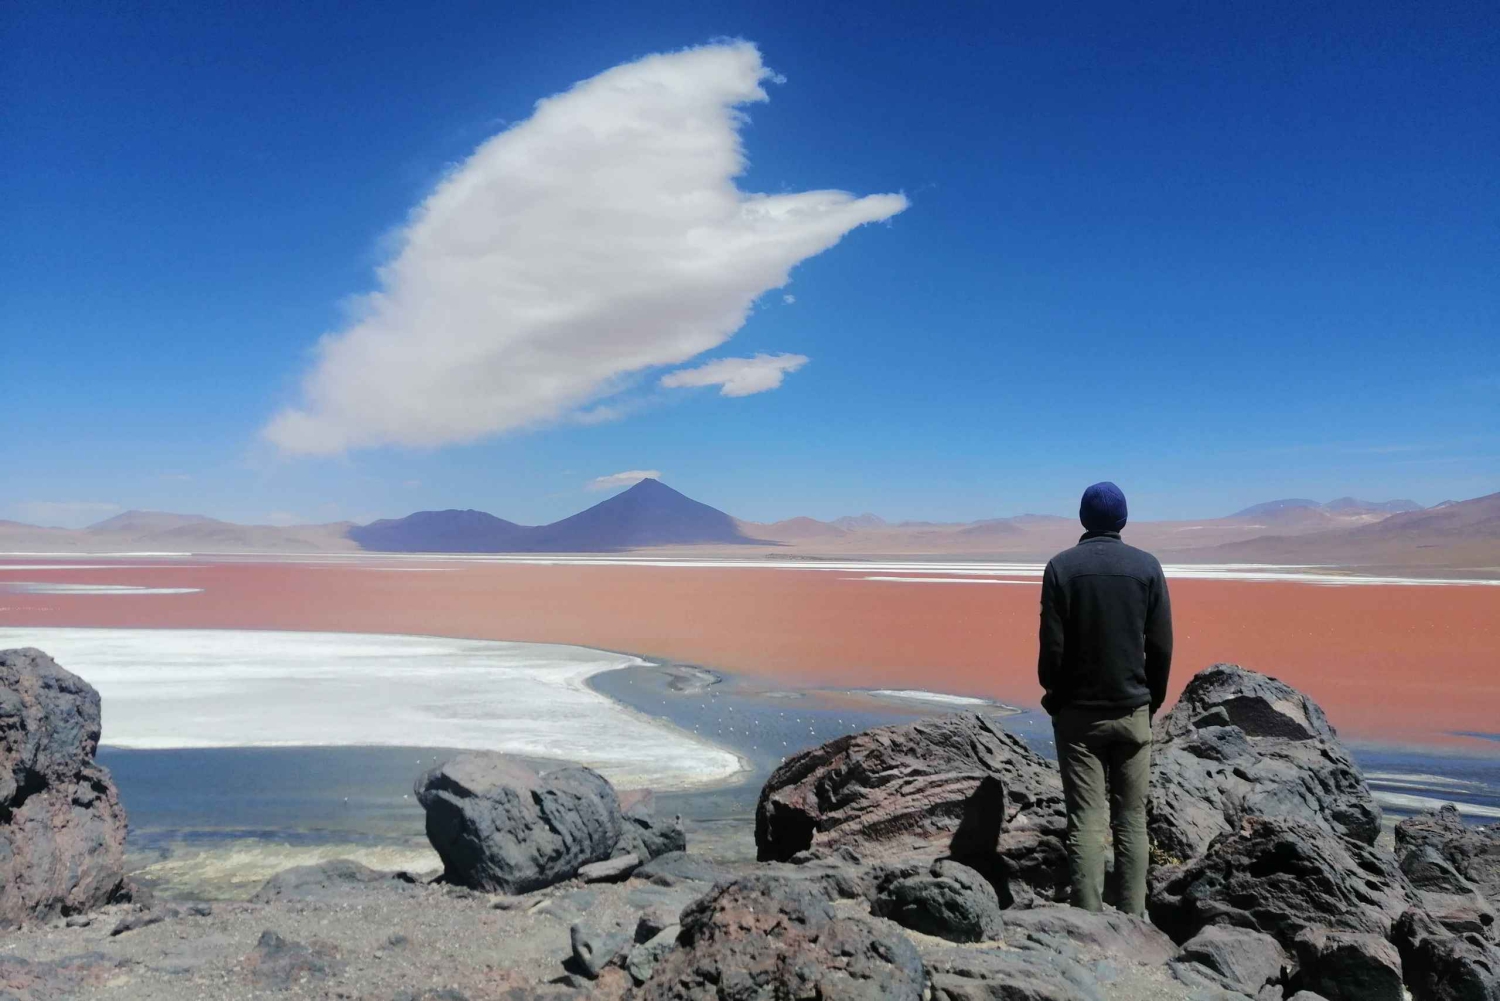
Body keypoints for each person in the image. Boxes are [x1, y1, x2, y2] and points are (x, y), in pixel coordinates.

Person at [1038, 481, 1172, 916]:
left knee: (1086, 821)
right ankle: (1134, 917)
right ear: (1123, 520)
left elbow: (1052, 648)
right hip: (1132, 711)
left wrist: (1054, 694)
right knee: (1132, 821)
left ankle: (1088, 922)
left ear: (1083, 519)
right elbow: (1162, 646)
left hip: (1078, 717)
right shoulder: (1147, 567)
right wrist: (1151, 699)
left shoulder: (1061, 568)